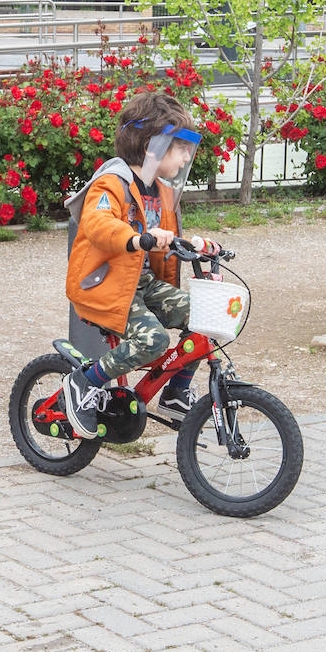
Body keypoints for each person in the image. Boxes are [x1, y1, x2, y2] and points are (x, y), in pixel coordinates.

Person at [61, 91, 222, 439]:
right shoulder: (112, 183)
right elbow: (99, 224)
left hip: (140, 284)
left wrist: (196, 246)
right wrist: (136, 239)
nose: (184, 158)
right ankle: (82, 383)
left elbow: (167, 239)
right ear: (153, 146)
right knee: (154, 340)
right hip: (106, 285)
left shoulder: (161, 191)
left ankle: (175, 393)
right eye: (180, 148)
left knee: (208, 316)